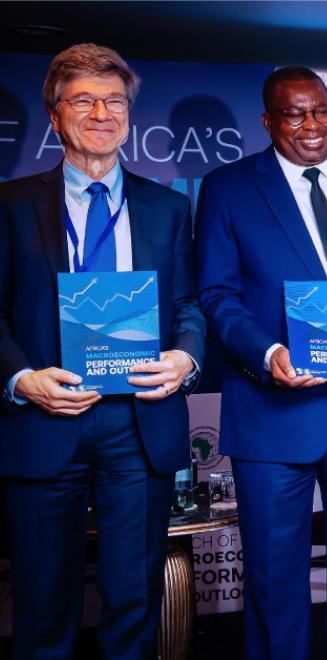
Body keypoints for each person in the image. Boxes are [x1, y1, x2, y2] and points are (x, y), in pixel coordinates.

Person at [0, 43, 205, 659]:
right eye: (83, 100)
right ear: (55, 115)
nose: (101, 112)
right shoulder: (9, 207)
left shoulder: (167, 207)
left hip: (137, 419)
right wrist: (21, 377)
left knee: (133, 601)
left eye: (114, 100)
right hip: (44, 419)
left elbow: (189, 305)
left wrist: (186, 358)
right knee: (41, 604)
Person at [195, 66, 327, 660]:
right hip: (271, 412)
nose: (312, 125)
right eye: (295, 114)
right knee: (273, 579)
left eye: (322, 111)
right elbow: (216, 294)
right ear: (268, 122)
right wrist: (268, 352)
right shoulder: (229, 188)